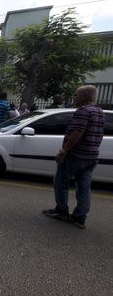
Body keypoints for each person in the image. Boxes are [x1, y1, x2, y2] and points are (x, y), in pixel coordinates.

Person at [42, 85, 105, 229]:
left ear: (84, 95)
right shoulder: (99, 111)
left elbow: (78, 132)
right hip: (91, 155)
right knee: (84, 187)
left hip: (75, 155)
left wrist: (64, 151)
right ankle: (80, 216)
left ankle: (62, 210)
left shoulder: (83, 111)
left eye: (76, 94)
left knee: (60, 182)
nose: (74, 97)